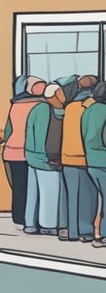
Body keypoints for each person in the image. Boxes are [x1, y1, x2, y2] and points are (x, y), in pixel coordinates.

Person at [82, 81, 106, 246]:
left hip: (90, 159)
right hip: (105, 161)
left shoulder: (88, 111)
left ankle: (93, 230)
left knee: (98, 198)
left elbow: (83, 133)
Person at [4, 77, 44, 230]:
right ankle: (32, 218)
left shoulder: (15, 105)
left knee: (19, 187)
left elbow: (9, 130)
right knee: (33, 188)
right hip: (30, 152)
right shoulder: (41, 106)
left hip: (11, 150)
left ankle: (18, 217)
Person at [24, 83, 63, 236]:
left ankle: (30, 224)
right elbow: (52, 137)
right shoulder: (55, 111)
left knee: (32, 193)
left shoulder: (36, 109)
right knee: (49, 193)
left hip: (31, 156)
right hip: (45, 158)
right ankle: (48, 225)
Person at [60, 77, 95, 242]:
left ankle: (71, 230)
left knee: (71, 195)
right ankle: (85, 231)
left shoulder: (69, 107)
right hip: (83, 158)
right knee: (86, 197)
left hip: (67, 157)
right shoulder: (89, 106)